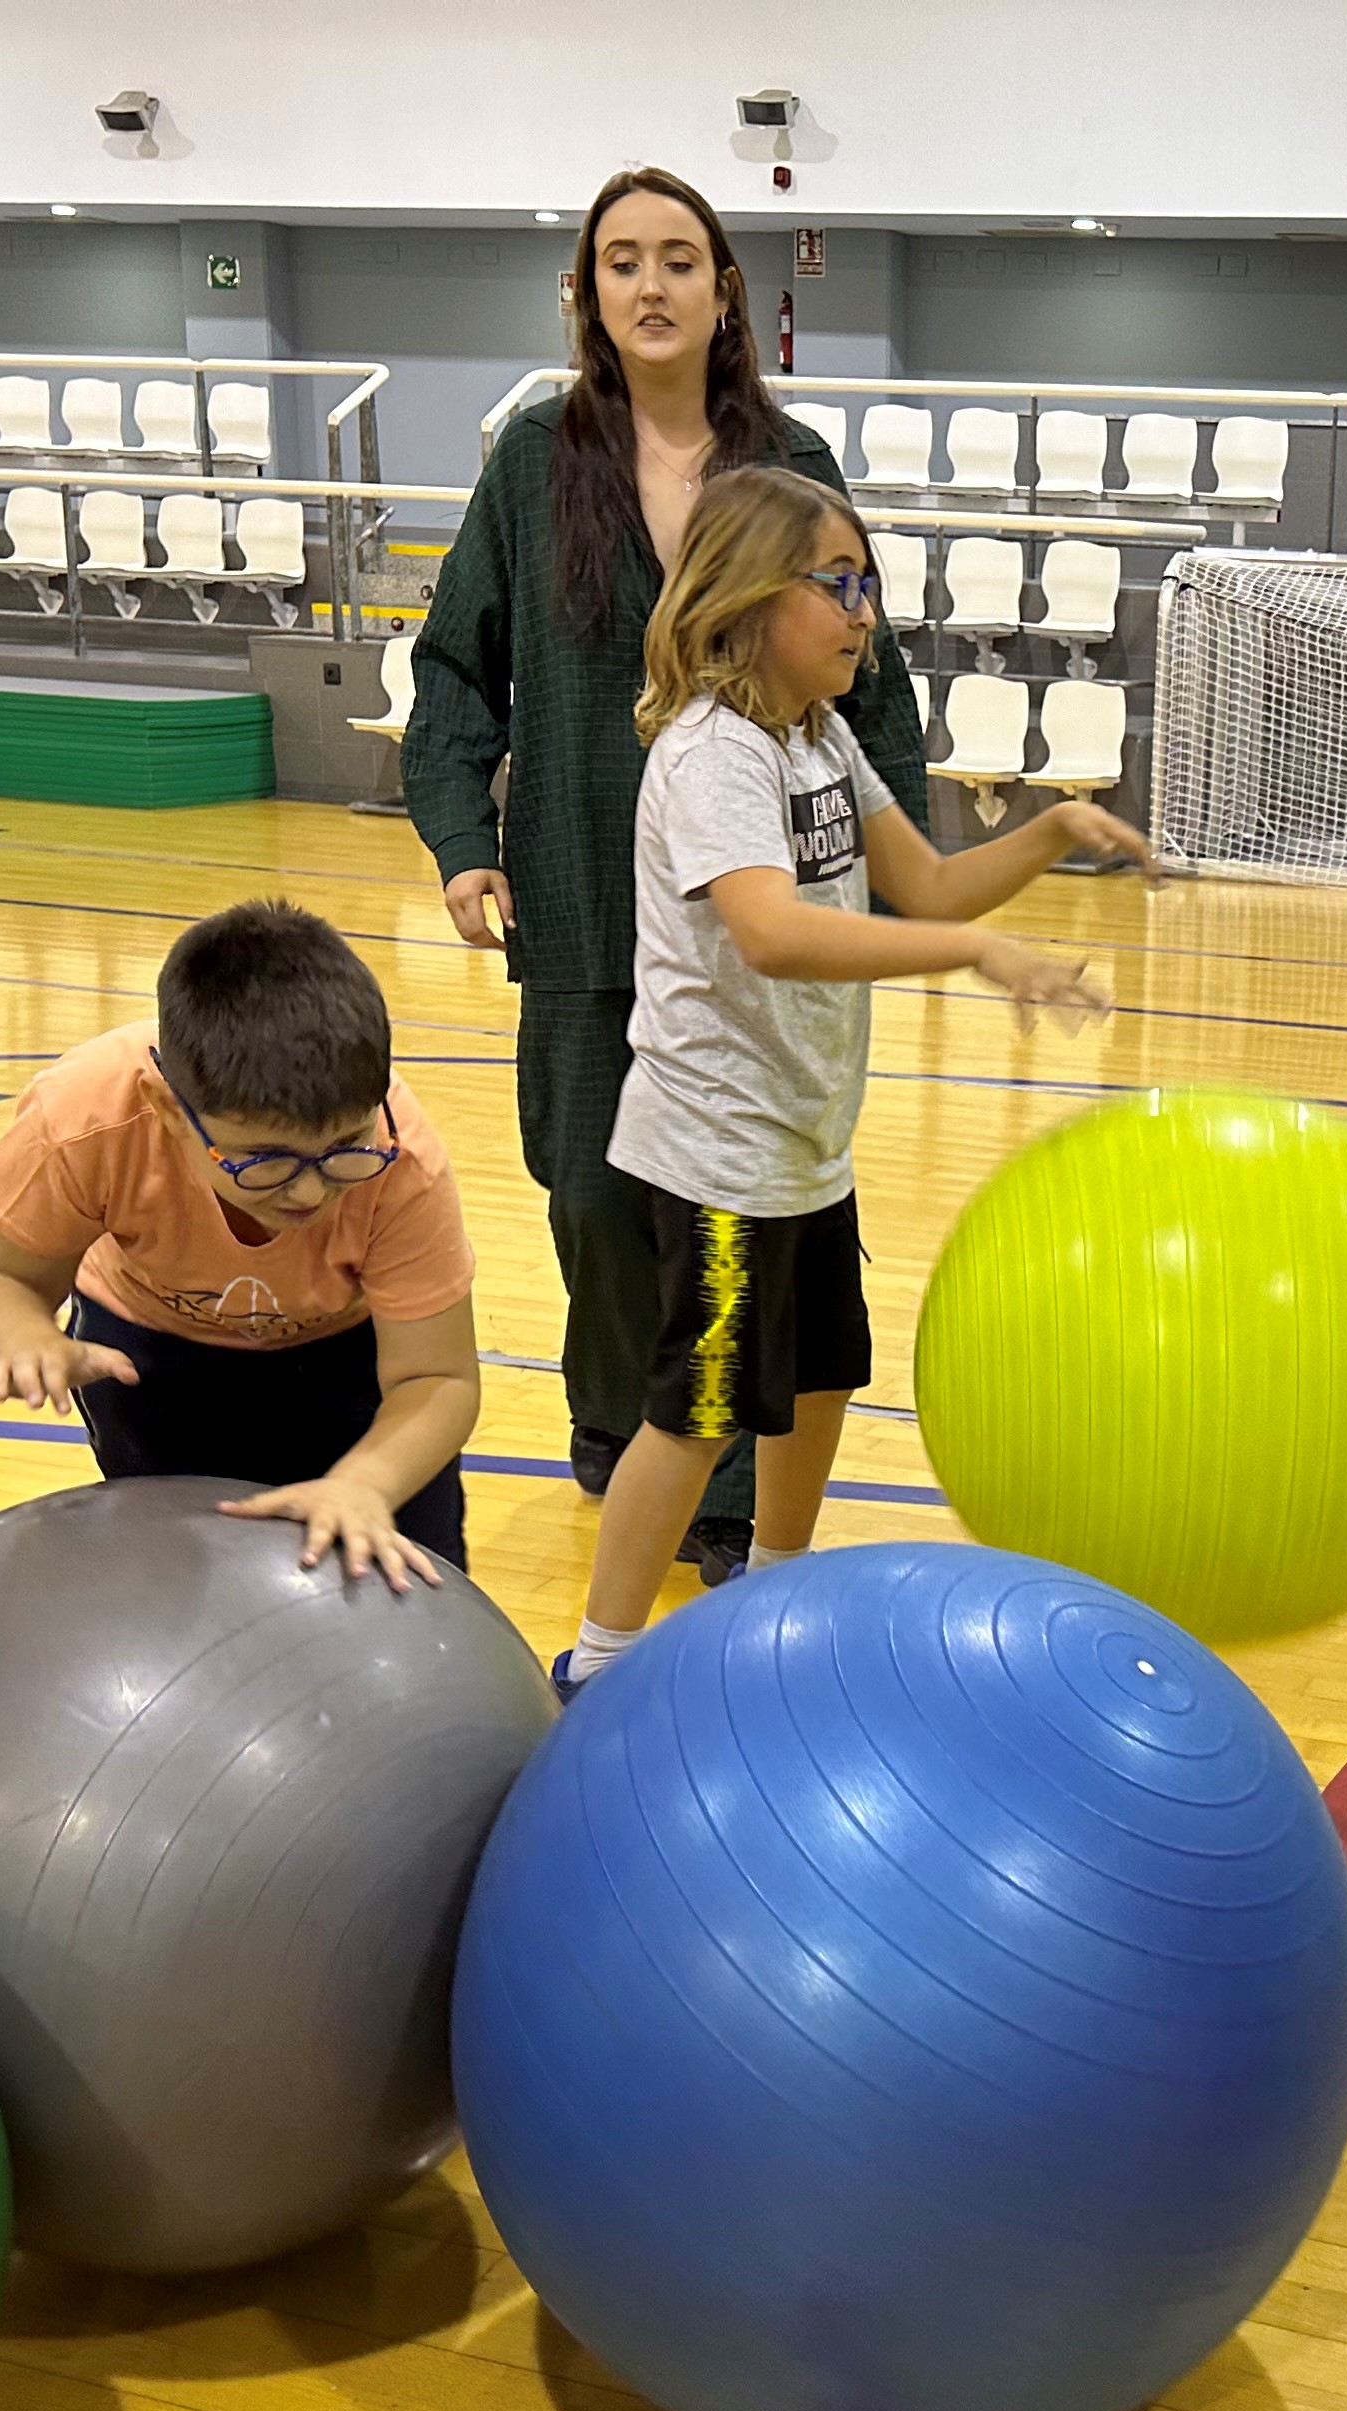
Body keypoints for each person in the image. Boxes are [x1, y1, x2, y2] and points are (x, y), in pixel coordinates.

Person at [404, 166, 933, 1590]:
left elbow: (871, 677)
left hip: (756, 925)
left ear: (723, 292)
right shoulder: (532, 463)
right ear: (586, 292)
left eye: (680, 260)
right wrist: (461, 841)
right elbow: (456, 664)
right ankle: (621, 1429)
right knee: (591, 1195)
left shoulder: (795, 462)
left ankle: (736, 1494)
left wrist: (887, 888)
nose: (651, 284)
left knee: (759, 1220)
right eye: (621, 261)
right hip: (581, 899)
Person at [555, 467, 1141, 1694]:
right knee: (697, 1408)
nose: (865, 611)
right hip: (716, 1148)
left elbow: (921, 885)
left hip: (805, 1143)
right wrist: (982, 955)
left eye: (868, 584)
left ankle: (772, 1593)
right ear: (748, 595)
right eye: (838, 584)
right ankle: (600, 1659)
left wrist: (1047, 833)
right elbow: (773, 930)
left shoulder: (819, 740)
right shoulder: (714, 755)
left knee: (818, 1378)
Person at [0, 898, 481, 1593]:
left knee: (397, 1571)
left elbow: (437, 1380)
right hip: (153, 1359)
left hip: (349, 1360)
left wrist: (367, 1482)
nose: (311, 1192)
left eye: (345, 1148)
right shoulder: (84, 1119)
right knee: (184, 1586)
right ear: (168, 1109)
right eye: (265, 1161)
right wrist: (24, 1340)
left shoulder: (402, 1160)